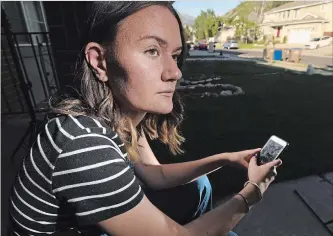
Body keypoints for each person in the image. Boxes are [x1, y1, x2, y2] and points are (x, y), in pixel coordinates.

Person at [8, 2, 282, 236]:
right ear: (100, 61)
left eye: (174, 55)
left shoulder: (115, 117)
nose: (174, 72)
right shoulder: (82, 144)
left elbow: (156, 176)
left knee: (200, 185)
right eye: (152, 51)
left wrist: (224, 159)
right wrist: (252, 192)